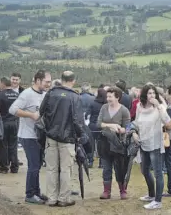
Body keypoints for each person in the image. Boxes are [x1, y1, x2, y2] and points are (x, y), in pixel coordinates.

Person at [40, 71, 85, 207]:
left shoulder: (51, 93)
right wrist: (81, 134)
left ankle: (52, 198)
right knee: (66, 169)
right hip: (68, 138)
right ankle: (63, 198)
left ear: (61, 79)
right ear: (73, 81)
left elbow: (41, 112)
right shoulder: (74, 97)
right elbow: (77, 120)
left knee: (51, 168)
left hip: (51, 136)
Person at [9, 70, 51, 205]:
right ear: (38, 80)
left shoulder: (45, 94)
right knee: (33, 165)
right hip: (28, 136)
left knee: (37, 165)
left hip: (39, 136)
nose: (49, 84)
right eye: (47, 82)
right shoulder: (27, 94)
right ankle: (30, 194)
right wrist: (31, 115)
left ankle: (36, 191)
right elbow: (13, 109)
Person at [130, 84, 171, 210]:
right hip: (143, 142)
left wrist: (159, 106)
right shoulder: (139, 106)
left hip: (155, 143)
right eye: (149, 93)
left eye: (153, 93)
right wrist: (133, 133)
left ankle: (158, 201)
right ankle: (151, 194)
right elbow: (136, 122)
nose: (152, 95)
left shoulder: (160, 107)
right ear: (144, 95)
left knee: (158, 173)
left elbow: (167, 121)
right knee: (144, 169)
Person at [97, 87, 130, 200]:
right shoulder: (104, 107)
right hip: (104, 142)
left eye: (110, 96)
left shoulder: (124, 110)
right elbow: (98, 123)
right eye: (107, 96)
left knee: (119, 168)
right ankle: (107, 191)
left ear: (117, 97)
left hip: (118, 143)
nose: (108, 99)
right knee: (106, 168)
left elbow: (128, 127)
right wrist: (110, 125)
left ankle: (122, 190)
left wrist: (121, 129)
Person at [0, 77, 19, 174]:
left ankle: (4, 167)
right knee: (13, 145)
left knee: (2, 146)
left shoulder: (0, 95)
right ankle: (14, 167)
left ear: (3, 84)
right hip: (15, 123)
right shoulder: (17, 95)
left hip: (3, 123)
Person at [87, 87, 107, 168]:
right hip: (102, 125)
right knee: (101, 145)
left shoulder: (92, 103)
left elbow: (87, 114)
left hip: (92, 125)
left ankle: (90, 161)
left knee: (91, 144)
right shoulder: (105, 105)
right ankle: (101, 163)